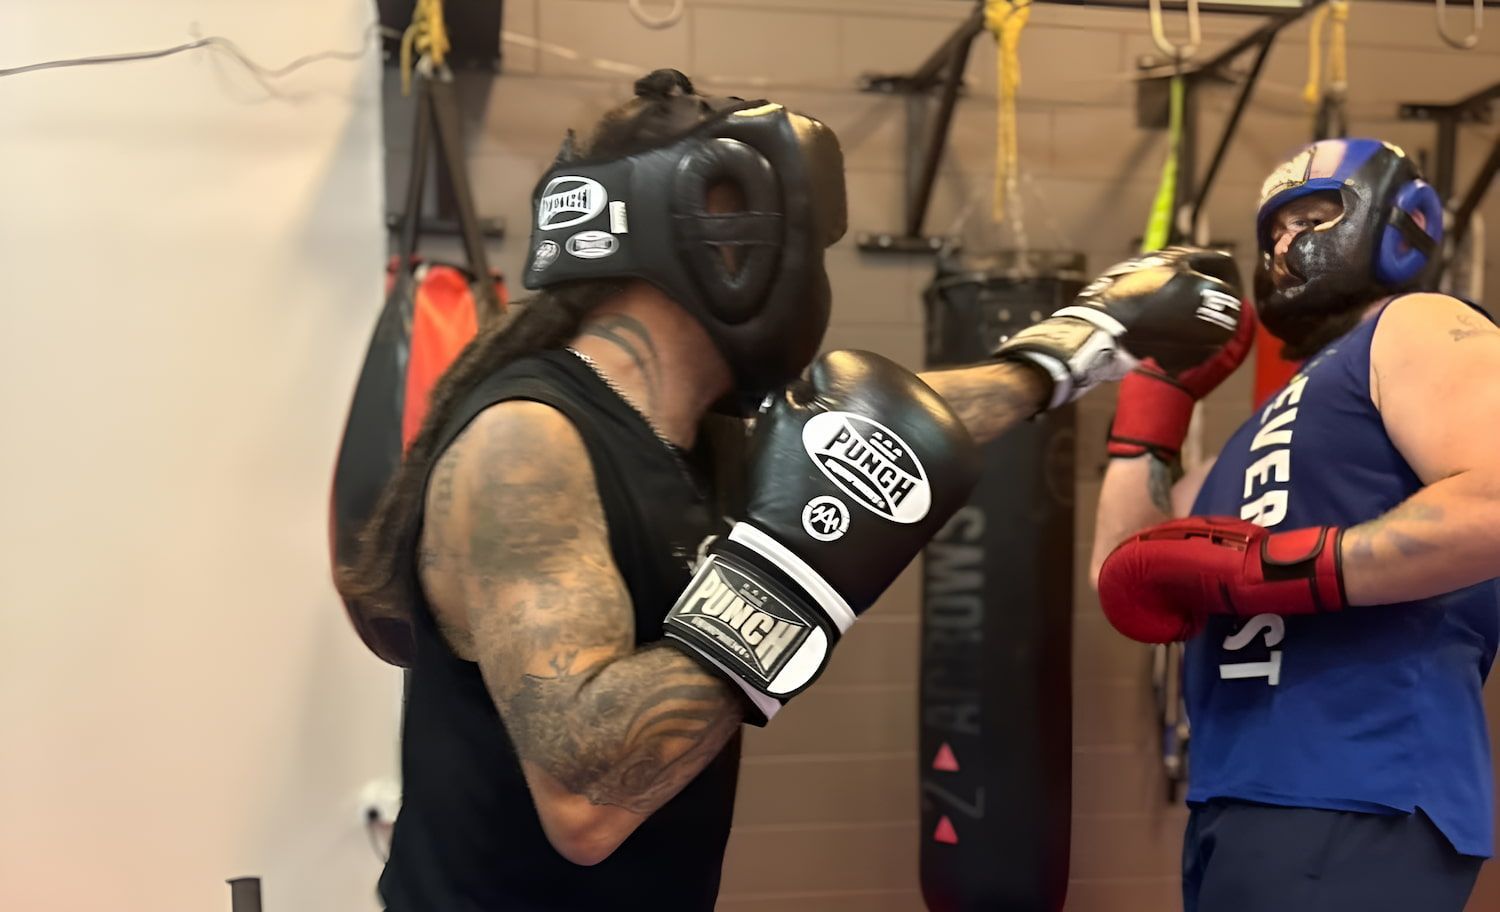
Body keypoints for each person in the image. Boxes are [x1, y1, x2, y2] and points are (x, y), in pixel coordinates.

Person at [340, 68, 1245, 911]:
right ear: (721, 235)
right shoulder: (528, 445)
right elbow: (587, 801)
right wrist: (790, 576)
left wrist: (1090, 339)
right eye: (806, 245)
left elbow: (911, 420)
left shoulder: (701, 443)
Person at [1091, 137, 1500, 912]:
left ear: (1397, 224)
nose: (1285, 244)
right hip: (1239, 792)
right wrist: (1153, 411)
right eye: (1273, 232)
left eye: (1314, 217)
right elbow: (1129, 577)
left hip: (1358, 785)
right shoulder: (1272, 420)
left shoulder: (1417, 326)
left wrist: (1284, 570)